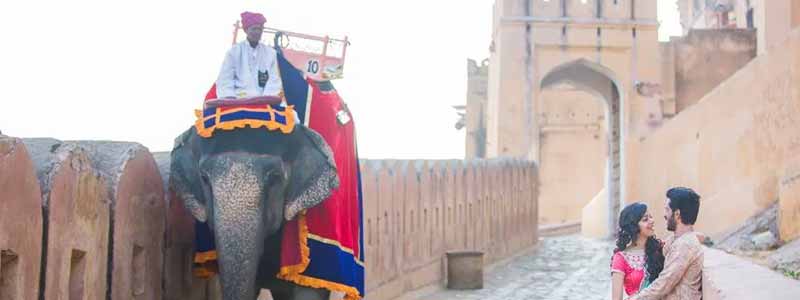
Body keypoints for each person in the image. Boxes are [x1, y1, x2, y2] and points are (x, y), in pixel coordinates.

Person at [630, 187, 703, 300]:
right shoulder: (678, 239)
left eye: (667, 210)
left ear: (677, 214)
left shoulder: (685, 245)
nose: (665, 215)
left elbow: (663, 284)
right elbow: (660, 249)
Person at [215, 11, 283, 100]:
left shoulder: (271, 53)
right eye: (254, 29)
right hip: (238, 99)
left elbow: (274, 79)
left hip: (264, 100)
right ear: (246, 30)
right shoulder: (234, 52)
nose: (257, 32)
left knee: (292, 113)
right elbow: (225, 78)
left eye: (259, 29)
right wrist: (230, 98)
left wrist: (266, 98)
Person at [611, 202, 665, 299]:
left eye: (650, 217)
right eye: (645, 219)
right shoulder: (621, 258)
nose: (651, 221)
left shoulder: (659, 248)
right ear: (634, 227)